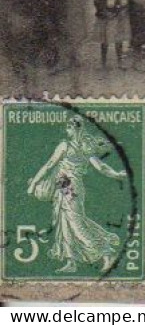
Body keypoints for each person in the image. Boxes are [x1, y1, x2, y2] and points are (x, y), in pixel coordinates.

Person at [25, 115, 126, 274]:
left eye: (68, 127)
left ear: (73, 128)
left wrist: (33, 184)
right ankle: (71, 262)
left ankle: (107, 254)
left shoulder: (65, 146)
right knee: (66, 222)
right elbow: (101, 167)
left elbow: (49, 165)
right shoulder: (86, 147)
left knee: (76, 223)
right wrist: (116, 174)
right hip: (68, 187)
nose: (67, 130)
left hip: (68, 188)